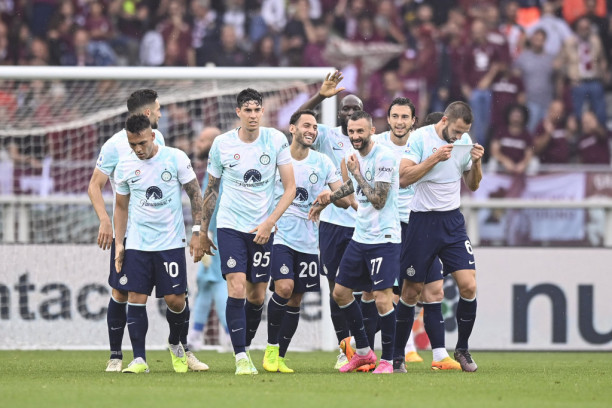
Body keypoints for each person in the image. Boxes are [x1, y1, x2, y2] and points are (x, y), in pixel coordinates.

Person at [88, 89, 208, 373]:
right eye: (157, 108)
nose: (160, 113)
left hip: (167, 236)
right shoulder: (115, 149)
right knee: (124, 293)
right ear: (146, 113)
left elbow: (183, 188)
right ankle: (122, 356)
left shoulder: (163, 144)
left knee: (175, 299)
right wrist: (108, 225)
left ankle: (180, 346)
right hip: (132, 235)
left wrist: (197, 230)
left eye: (142, 143)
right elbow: (98, 188)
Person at [196, 88, 296, 375]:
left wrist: (269, 222)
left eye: (257, 110)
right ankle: (240, 356)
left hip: (262, 228)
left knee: (256, 296)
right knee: (236, 286)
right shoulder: (222, 144)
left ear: (262, 112)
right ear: (238, 112)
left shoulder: (276, 140)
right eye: (247, 110)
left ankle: (245, 344)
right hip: (230, 225)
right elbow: (211, 190)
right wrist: (203, 231)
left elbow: (290, 188)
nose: (253, 115)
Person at [263, 109, 353, 373]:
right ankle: (270, 349)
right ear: (292, 128)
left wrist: (329, 197)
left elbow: (346, 201)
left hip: (308, 239)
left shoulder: (322, 162)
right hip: (280, 234)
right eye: (306, 125)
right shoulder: (278, 158)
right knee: (284, 288)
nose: (311, 131)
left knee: (295, 299)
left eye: (314, 127)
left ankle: (280, 357)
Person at [312, 110, 400, 374]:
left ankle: (389, 360)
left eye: (360, 131)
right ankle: (363, 351)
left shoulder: (384, 156)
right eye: (351, 131)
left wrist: (356, 173)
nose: (355, 136)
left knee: (382, 299)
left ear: (372, 130)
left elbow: (378, 200)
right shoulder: (355, 156)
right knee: (340, 293)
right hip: (361, 236)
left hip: (384, 237)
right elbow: (353, 187)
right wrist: (329, 197)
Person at [399, 101, 484, 372]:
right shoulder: (420, 138)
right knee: (411, 291)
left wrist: (477, 162)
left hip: (452, 222)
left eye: (464, 133)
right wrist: (434, 158)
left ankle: (462, 349)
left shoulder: (464, 141)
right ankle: (397, 355)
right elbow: (403, 178)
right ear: (445, 121)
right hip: (422, 221)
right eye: (456, 131)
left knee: (469, 285)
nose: (459, 137)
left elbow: (472, 184)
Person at [298, 71, 362, 369]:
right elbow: (297, 120)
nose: (349, 113)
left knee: (366, 290)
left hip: (364, 223)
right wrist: (320, 96)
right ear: (339, 113)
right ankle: (344, 348)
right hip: (334, 225)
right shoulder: (326, 135)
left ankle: (365, 346)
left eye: (355, 109)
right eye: (345, 108)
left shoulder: (373, 142)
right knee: (337, 288)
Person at [187, 127, 230, 350]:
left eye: (203, 140)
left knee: (217, 281)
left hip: (215, 236)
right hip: (212, 233)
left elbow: (215, 203)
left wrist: (206, 233)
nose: (198, 143)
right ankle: (194, 336)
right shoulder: (212, 167)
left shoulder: (218, 170)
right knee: (204, 283)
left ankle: (231, 336)